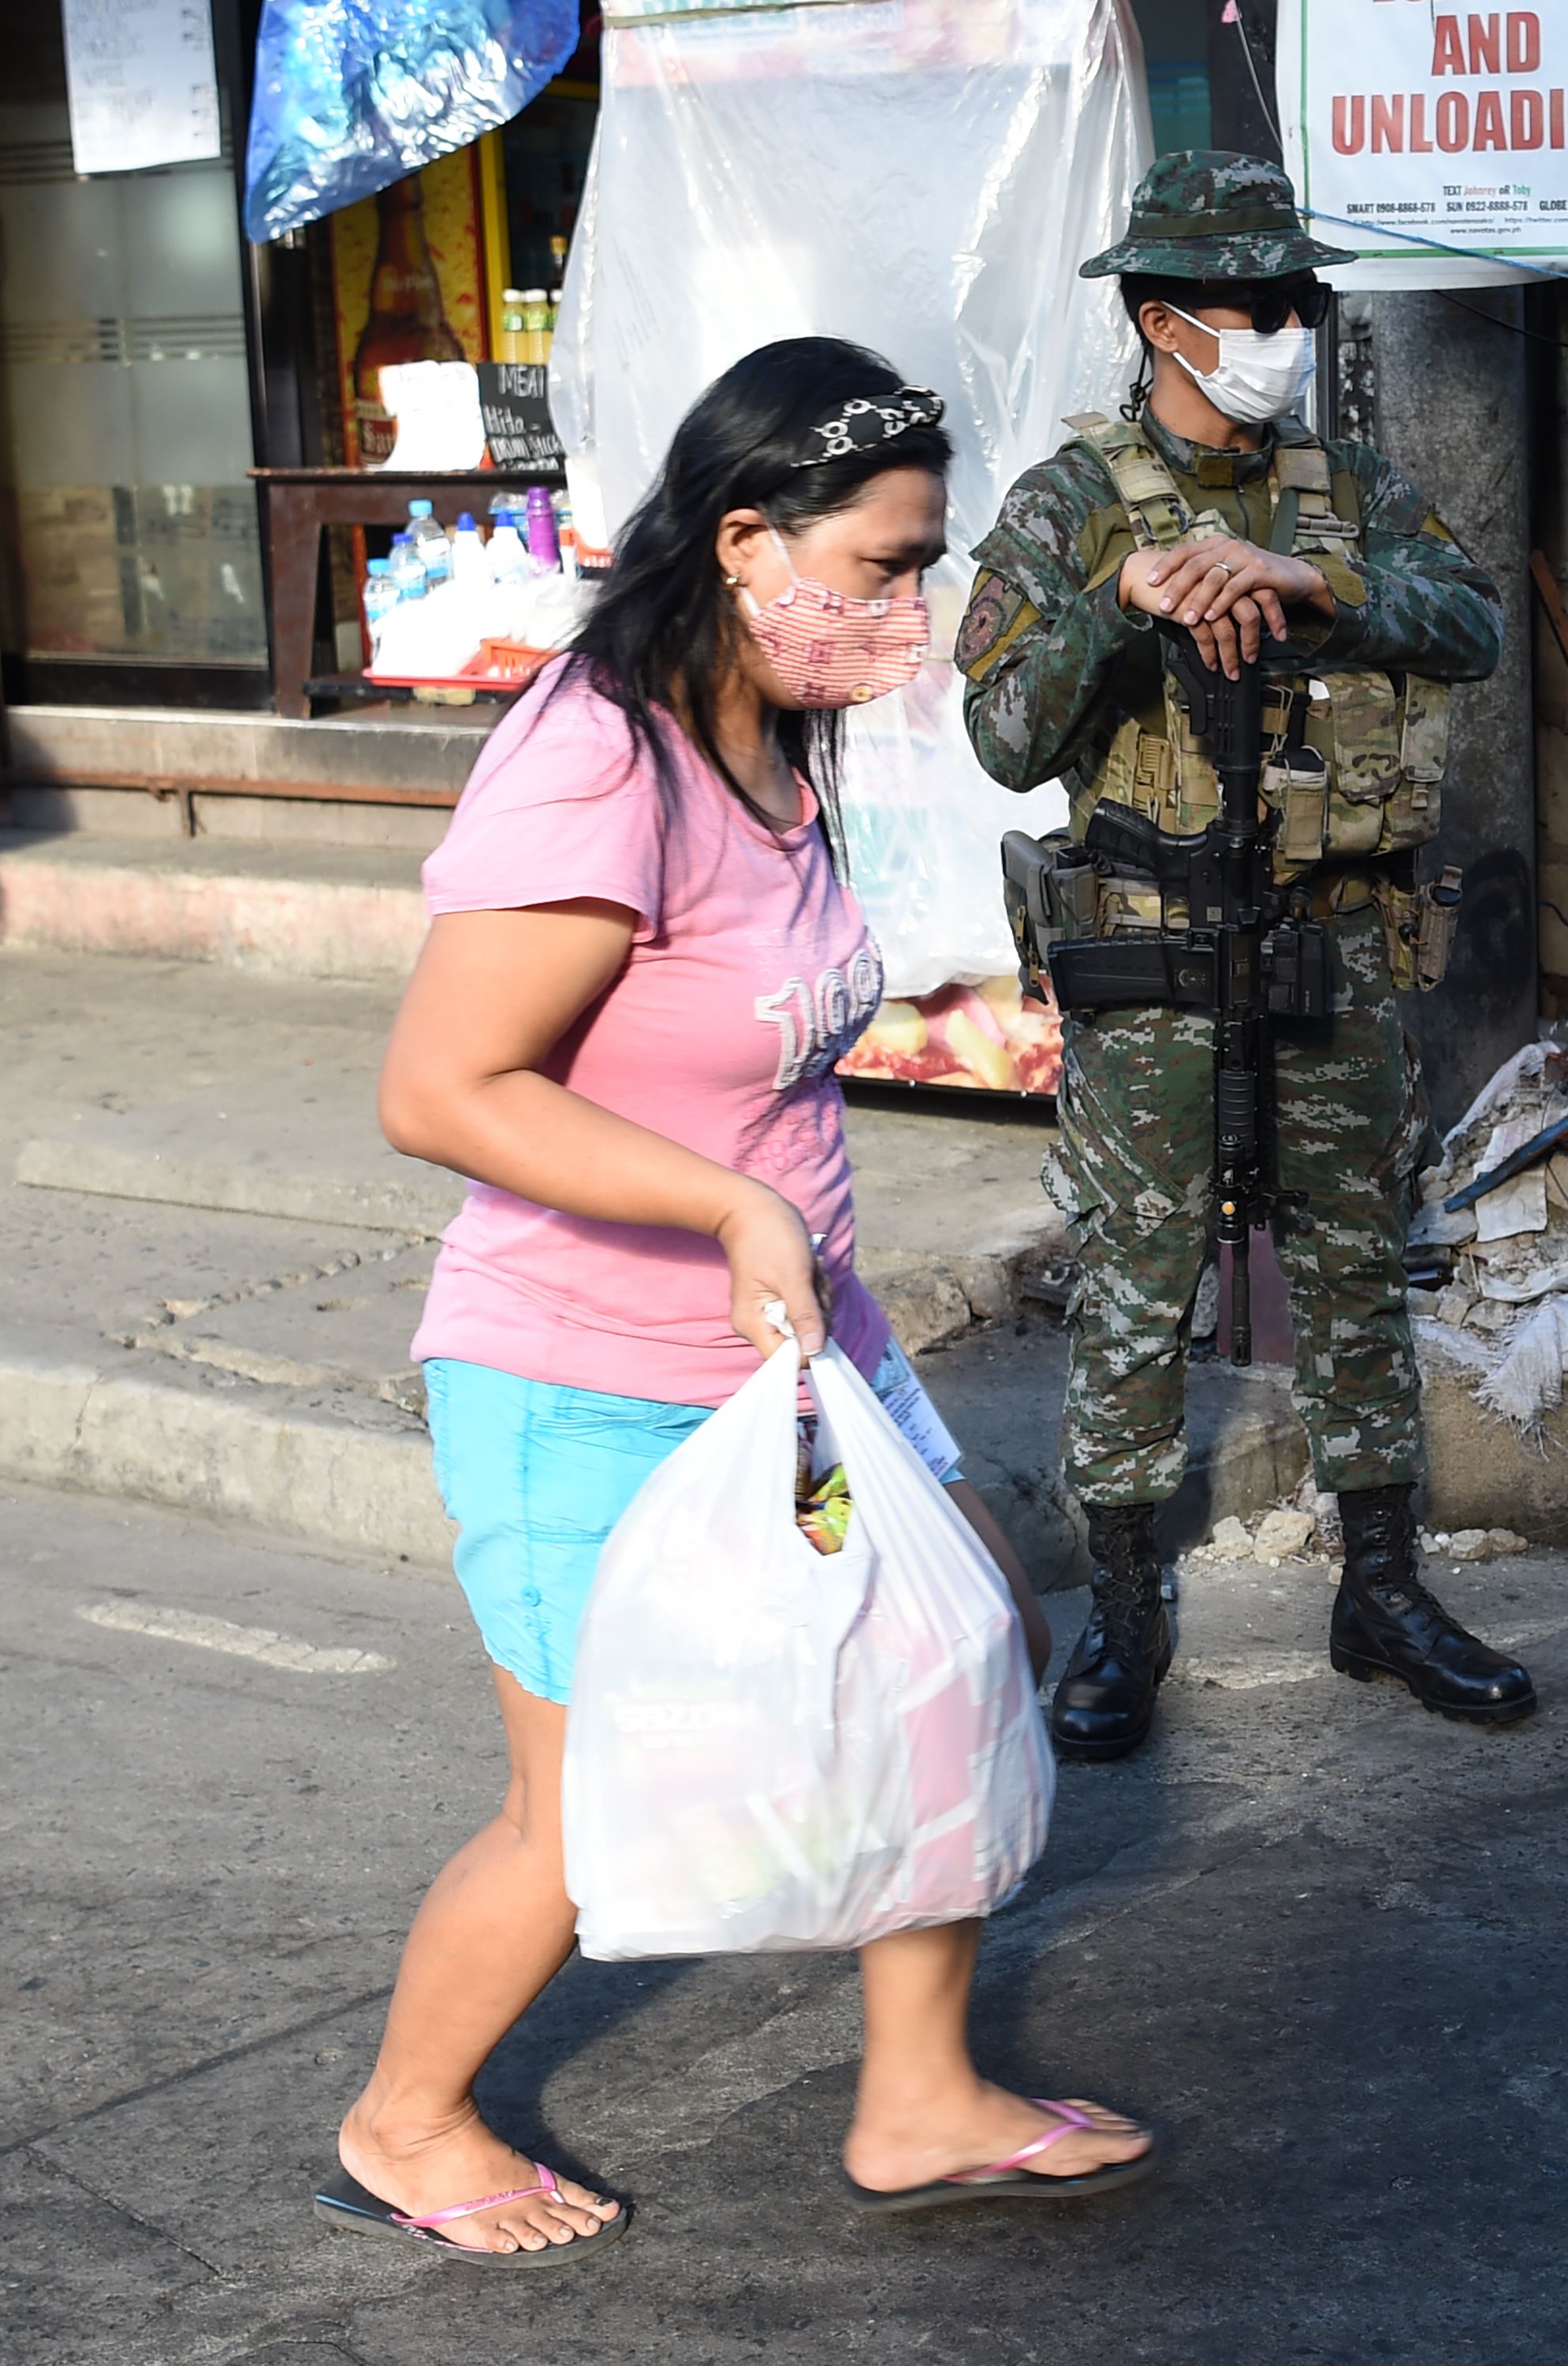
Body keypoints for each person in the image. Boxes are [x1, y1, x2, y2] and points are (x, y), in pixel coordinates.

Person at [326, 337, 1156, 2260]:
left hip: (795, 1357)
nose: (904, 607)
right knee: (576, 1808)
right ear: (742, 540)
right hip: (580, 1376)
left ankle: (919, 2088)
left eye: (917, 562)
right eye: (874, 565)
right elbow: (438, 1089)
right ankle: (404, 2111)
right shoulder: (593, 752)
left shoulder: (775, 738)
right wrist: (719, 1206)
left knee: (946, 1669)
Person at [955, 151, 1528, 1761]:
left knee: (1356, 1266)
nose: (1287, 329)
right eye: (1255, 307)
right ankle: (1124, 1619)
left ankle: (1383, 1587)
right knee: (1141, 1280)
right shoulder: (1070, 504)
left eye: (1301, 302)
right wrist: (1121, 602)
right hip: (1152, 964)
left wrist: (1310, 585)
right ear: (1162, 323)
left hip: (1335, 950)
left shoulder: (1338, 494)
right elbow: (1001, 733)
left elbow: (1469, 621)